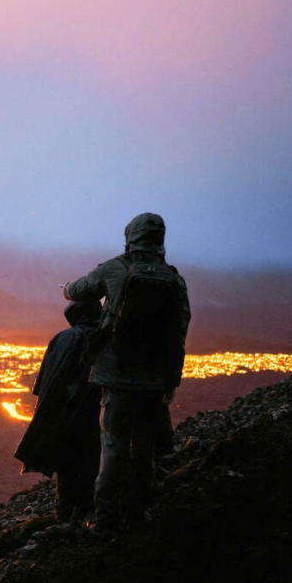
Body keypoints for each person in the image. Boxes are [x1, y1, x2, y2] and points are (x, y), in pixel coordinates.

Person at [63, 212, 190, 529]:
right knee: (144, 446)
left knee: (114, 446)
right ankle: (137, 511)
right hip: (153, 379)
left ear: (129, 236)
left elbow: (79, 290)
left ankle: (105, 516)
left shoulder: (115, 268)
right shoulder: (173, 279)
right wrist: (171, 378)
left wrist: (66, 289)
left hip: (116, 374)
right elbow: (179, 332)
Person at [14, 299, 104, 521]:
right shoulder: (100, 339)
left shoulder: (60, 338)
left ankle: (66, 512)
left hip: (60, 412)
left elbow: (42, 384)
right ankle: (87, 511)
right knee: (91, 459)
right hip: (90, 410)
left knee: (68, 463)